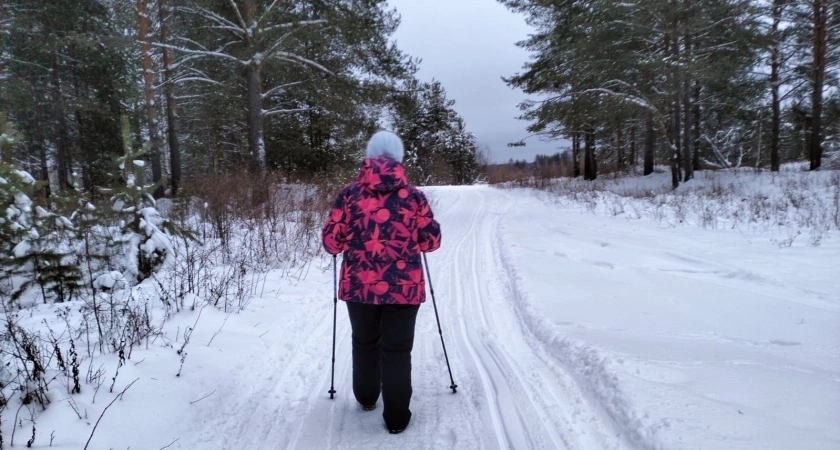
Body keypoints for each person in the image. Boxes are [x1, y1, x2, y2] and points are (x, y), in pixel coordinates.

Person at [321, 130, 441, 434]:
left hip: (359, 286)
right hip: (404, 287)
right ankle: (397, 418)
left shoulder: (349, 194)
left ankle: (366, 397)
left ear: (369, 157)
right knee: (397, 350)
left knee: (364, 342)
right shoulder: (414, 196)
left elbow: (332, 242)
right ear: (399, 159)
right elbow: (431, 241)